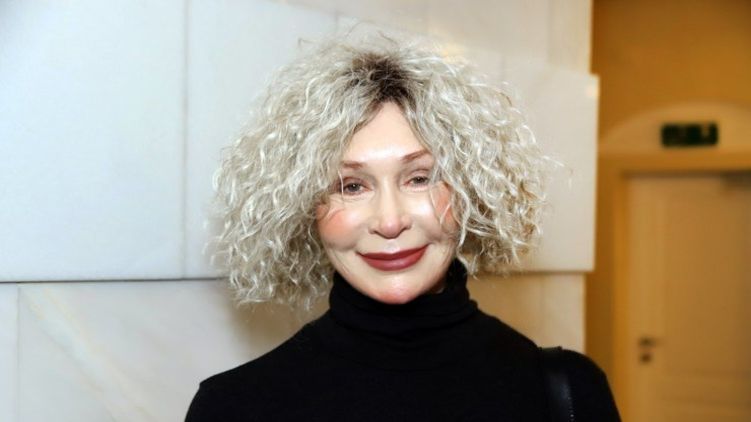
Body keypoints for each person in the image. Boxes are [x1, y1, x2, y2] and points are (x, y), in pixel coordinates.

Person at [186, 36, 620, 421]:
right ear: (303, 207)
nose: (390, 221)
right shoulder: (233, 407)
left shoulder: (567, 393)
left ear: (470, 190)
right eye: (351, 186)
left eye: (419, 178)